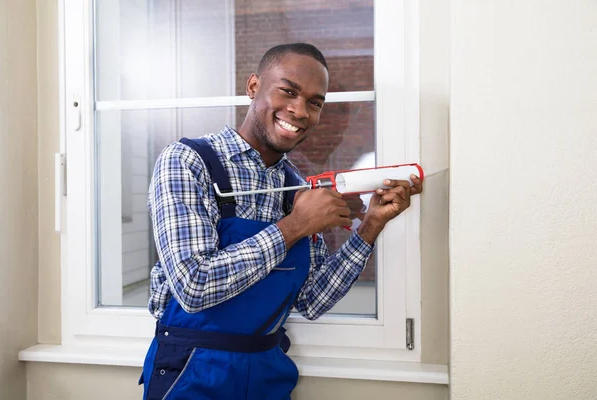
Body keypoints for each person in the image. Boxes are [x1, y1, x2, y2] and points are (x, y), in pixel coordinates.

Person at [139, 43, 423, 400]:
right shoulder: (187, 161)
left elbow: (311, 301)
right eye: (288, 91)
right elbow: (194, 286)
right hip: (191, 372)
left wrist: (371, 225)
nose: (300, 110)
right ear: (254, 86)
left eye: (315, 102)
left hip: (268, 375)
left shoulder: (297, 188)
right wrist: (295, 226)